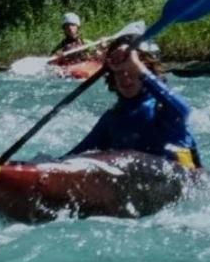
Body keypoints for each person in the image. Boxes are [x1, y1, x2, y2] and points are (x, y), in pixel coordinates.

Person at [65, 35, 200, 169]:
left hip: (184, 184)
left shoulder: (163, 109)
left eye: (131, 70)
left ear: (146, 69)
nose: (125, 77)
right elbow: (72, 157)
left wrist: (139, 69)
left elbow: (183, 111)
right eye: (119, 72)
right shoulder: (113, 119)